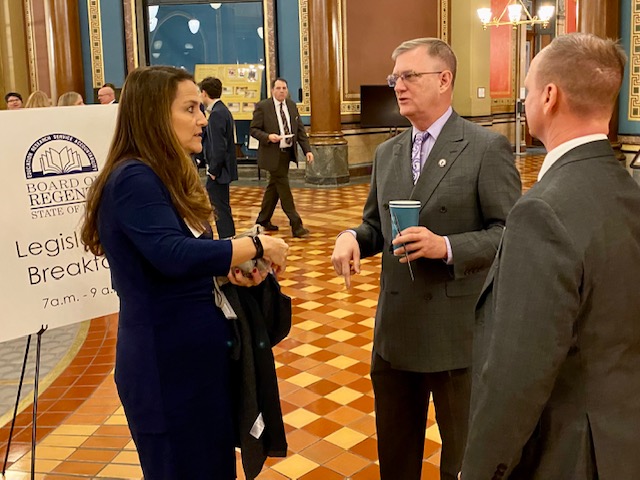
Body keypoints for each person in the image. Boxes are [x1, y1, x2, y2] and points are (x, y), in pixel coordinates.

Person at [80, 65, 289, 479]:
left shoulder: (162, 175)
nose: (202, 119)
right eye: (190, 108)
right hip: (165, 367)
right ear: (156, 114)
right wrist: (257, 244)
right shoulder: (133, 178)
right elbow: (172, 253)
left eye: (201, 107)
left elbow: (178, 258)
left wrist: (224, 273)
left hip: (194, 361)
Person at [331, 37, 521, 480]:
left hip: (457, 335)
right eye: (394, 77)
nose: (398, 85)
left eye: (409, 76)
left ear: (444, 79)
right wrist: (351, 237)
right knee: (396, 460)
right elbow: (376, 227)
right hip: (396, 332)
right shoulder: (386, 153)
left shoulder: (483, 148)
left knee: (462, 461)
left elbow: (510, 233)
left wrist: (448, 247)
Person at [460, 33, 640, 480]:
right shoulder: (629, 191)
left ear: (548, 96)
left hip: (569, 453)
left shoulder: (543, 211)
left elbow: (517, 372)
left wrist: (480, 469)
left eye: (524, 90)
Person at [251, 77, 314, 238]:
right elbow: (254, 130)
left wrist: (307, 150)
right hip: (272, 154)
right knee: (284, 189)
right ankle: (296, 224)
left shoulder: (292, 106)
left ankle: (263, 220)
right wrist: (268, 137)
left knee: (274, 188)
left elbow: (300, 131)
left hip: (287, 154)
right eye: (278, 88)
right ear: (272, 90)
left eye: (284, 88)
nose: (281, 91)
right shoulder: (263, 107)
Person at [199, 76, 238, 238]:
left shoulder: (216, 114)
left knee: (220, 208)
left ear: (204, 93)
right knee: (222, 206)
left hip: (219, 172)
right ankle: (229, 239)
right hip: (222, 170)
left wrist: (213, 170)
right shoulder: (223, 110)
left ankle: (227, 240)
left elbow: (218, 146)